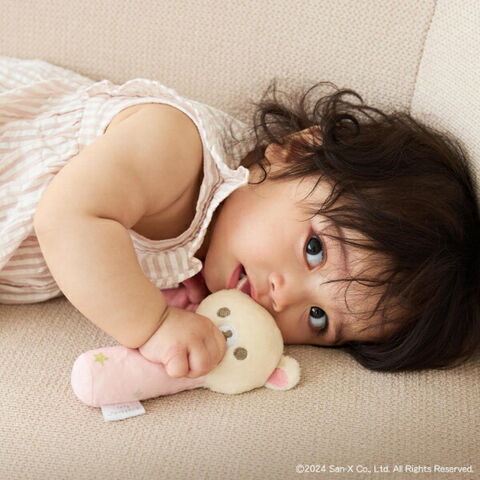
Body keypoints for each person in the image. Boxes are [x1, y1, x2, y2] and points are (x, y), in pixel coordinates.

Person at [1, 57, 479, 377]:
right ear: (294, 152)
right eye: (315, 249)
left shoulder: (218, 253)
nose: (283, 298)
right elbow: (67, 217)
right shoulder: (174, 146)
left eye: (317, 318)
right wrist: (153, 324)